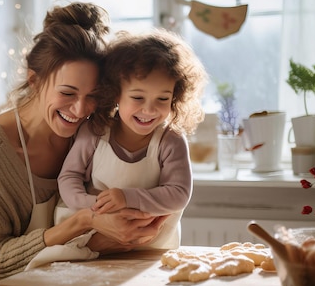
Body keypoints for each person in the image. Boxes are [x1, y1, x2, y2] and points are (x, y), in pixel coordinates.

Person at [0, 2, 167, 286]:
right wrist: (86, 221)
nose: (80, 109)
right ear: (35, 81)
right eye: (68, 93)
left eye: (92, 96)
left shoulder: (92, 132)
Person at [58, 28, 209, 249]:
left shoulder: (171, 140)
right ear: (116, 93)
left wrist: (126, 198)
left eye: (162, 98)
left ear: (175, 97)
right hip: (93, 242)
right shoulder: (95, 130)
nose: (149, 109)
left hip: (151, 248)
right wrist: (96, 207)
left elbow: (179, 194)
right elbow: (69, 177)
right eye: (138, 97)